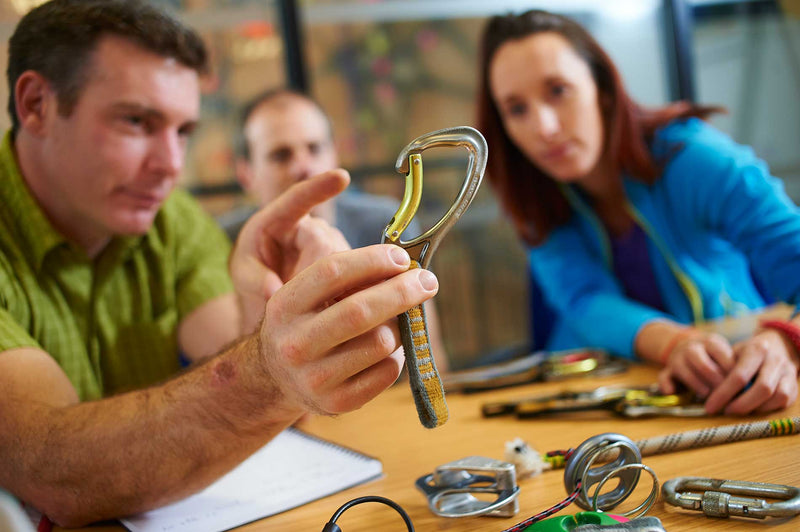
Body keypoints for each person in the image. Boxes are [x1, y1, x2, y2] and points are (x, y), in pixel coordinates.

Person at [0, 0, 438, 527]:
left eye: (183, 131)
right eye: (137, 121)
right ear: (35, 104)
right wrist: (274, 365)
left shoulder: (172, 219)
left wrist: (269, 304)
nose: (171, 166)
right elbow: (53, 472)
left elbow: (232, 361)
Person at [477, 9, 800, 416]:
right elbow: (584, 301)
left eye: (558, 90)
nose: (543, 127)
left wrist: (787, 340)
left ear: (604, 89)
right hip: (593, 399)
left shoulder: (696, 158)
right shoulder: (533, 197)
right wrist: (674, 343)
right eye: (516, 109)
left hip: (724, 385)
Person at [233, 88, 449, 370]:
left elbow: (429, 360)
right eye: (281, 155)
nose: (304, 166)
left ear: (334, 153)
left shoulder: (387, 223)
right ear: (245, 173)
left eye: (314, 148)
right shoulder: (225, 242)